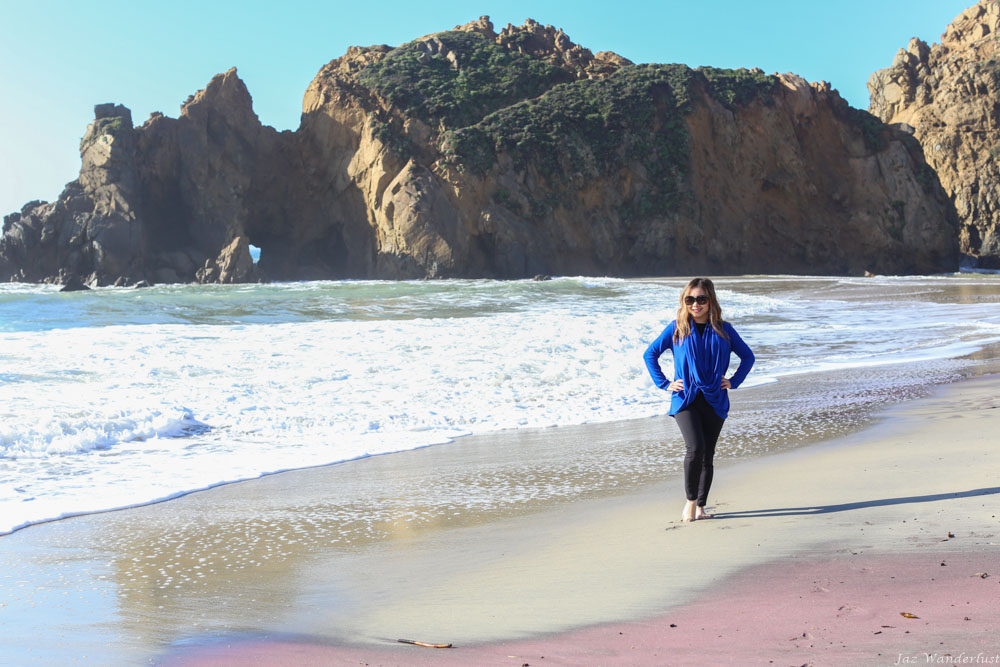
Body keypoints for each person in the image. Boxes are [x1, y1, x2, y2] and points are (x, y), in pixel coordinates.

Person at [643, 278, 754, 523]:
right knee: (696, 448)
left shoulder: (724, 330)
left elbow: (748, 357)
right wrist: (664, 383)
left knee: (708, 454)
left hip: (715, 397)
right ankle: (690, 503)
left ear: (710, 300)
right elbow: (650, 353)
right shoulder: (677, 328)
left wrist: (733, 381)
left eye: (701, 299)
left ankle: (701, 507)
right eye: (690, 299)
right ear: (685, 302)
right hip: (685, 397)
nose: (696, 304)